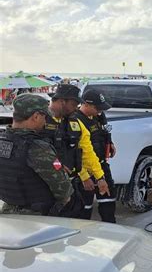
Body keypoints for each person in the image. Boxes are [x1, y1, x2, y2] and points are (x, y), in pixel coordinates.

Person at [0, 94, 73, 215]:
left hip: (8, 215)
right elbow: (64, 190)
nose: (45, 122)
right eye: (44, 117)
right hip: (37, 218)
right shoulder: (38, 147)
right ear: (36, 116)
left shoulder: (2, 140)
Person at [41, 84, 110, 204]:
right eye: (73, 105)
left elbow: (87, 152)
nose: (76, 109)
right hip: (43, 186)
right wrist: (57, 165)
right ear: (62, 102)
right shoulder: (38, 120)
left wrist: (100, 177)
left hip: (67, 185)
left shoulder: (75, 123)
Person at [74, 88, 117, 223]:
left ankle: (110, 227)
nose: (100, 111)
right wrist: (84, 176)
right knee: (84, 206)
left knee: (108, 200)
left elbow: (103, 132)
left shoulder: (98, 116)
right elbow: (74, 153)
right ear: (86, 104)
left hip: (101, 165)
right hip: (85, 170)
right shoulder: (75, 121)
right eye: (97, 107)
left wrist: (110, 143)